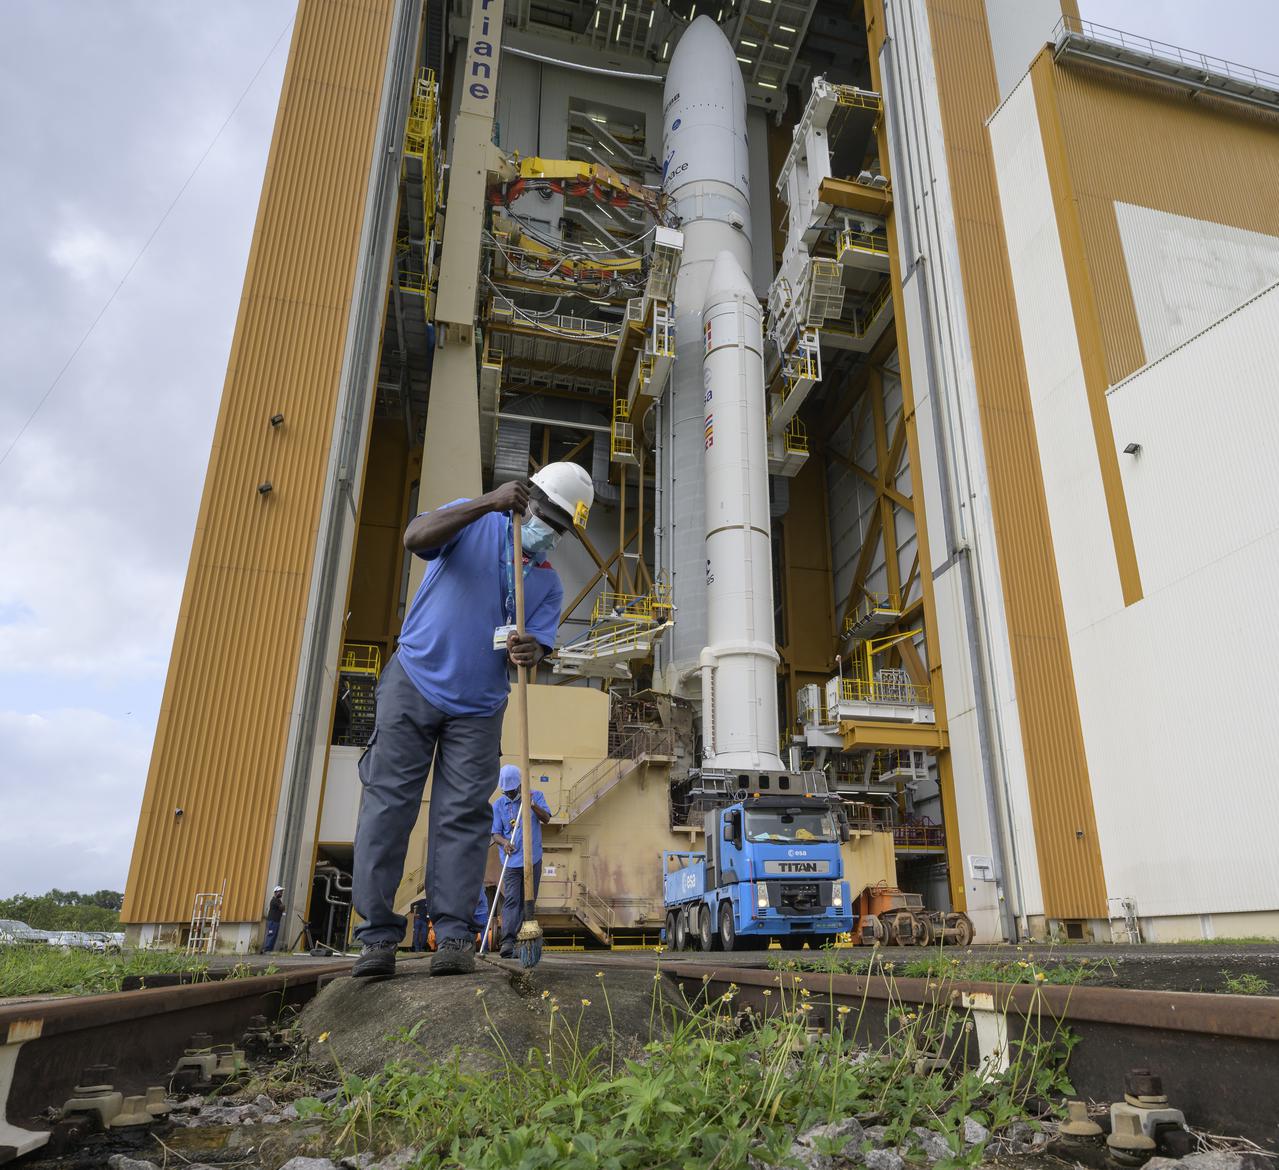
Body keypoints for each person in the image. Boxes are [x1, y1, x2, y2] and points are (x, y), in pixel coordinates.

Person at [350, 464, 593, 979]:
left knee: (461, 820)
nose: (548, 530)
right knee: (388, 807)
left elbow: (537, 649)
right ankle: (376, 937)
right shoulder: (473, 523)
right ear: (525, 500)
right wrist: (487, 501)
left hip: (480, 708)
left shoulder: (547, 583)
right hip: (414, 680)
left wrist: (532, 651)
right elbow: (416, 537)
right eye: (544, 515)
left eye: (559, 527)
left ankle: (454, 935)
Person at [491, 764, 553, 959]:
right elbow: (496, 833)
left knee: (528, 902)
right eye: (506, 792)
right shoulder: (499, 805)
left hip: (532, 859)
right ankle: (507, 942)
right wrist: (504, 843)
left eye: (512, 791)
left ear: (520, 786)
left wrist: (532, 804)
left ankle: (523, 942)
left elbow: (547, 818)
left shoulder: (536, 795)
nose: (509, 795)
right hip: (511, 862)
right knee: (511, 901)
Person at [262, 886, 285, 954]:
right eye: (280, 892)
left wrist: (282, 907)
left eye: (281, 892)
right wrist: (282, 907)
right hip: (272, 921)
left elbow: (283, 908)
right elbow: (282, 907)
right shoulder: (274, 900)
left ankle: (270, 950)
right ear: (275, 892)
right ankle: (266, 949)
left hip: (276, 921)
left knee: (274, 935)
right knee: (271, 934)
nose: (281, 893)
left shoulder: (278, 901)